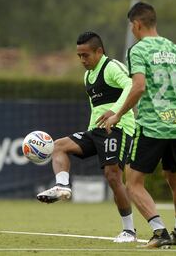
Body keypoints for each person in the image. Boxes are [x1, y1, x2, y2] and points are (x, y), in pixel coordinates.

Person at [104, 2, 176, 248]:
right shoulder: (175, 48)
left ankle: (159, 232)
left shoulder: (138, 50)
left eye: (131, 25)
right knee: (175, 179)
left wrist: (117, 114)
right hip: (174, 124)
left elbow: (138, 87)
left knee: (133, 183)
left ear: (136, 24)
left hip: (151, 125)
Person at [37, 32, 137, 242]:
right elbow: (96, 107)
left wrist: (116, 114)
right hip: (97, 130)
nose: (82, 60)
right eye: (79, 56)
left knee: (112, 176)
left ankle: (129, 231)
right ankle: (62, 186)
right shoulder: (87, 76)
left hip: (119, 128)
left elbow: (131, 86)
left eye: (86, 55)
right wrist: (91, 131)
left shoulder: (111, 67)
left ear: (99, 51)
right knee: (58, 146)